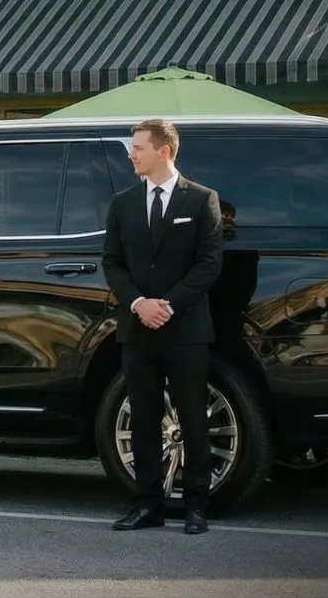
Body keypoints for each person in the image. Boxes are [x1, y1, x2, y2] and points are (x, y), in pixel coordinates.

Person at [102, 119, 223, 536]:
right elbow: (112, 262)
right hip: (137, 327)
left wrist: (168, 305)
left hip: (186, 328)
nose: (131, 154)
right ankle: (147, 505)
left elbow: (209, 264)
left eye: (138, 147)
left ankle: (196, 507)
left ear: (164, 151)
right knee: (144, 418)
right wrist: (138, 303)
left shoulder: (202, 200)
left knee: (192, 418)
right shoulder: (122, 202)